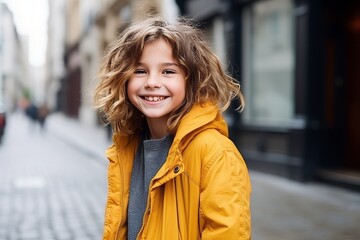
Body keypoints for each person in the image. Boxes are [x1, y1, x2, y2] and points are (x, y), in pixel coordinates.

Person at [93, 16, 251, 240]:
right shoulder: (127, 147)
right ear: (124, 79)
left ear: (192, 79)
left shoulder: (216, 155)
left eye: (168, 71)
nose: (152, 82)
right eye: (140, 71)